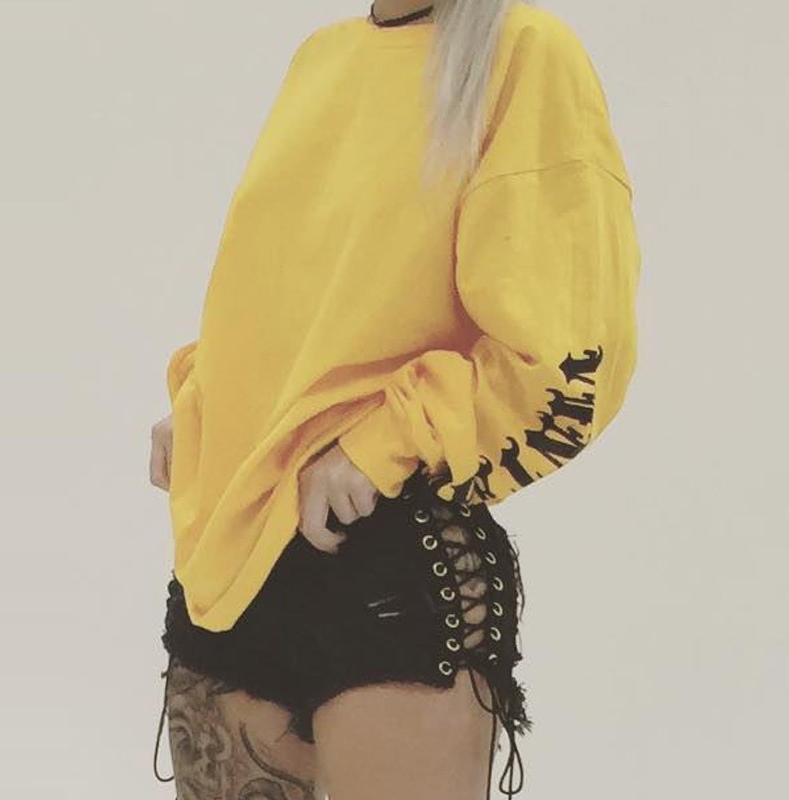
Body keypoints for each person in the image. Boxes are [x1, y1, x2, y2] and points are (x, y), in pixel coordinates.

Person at [148, 1, 641, 798]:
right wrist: (212, 402)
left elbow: (565, 345)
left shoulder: (523, 51)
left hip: (389, 556)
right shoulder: (321, 58)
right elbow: (296, 290)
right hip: (233, 550)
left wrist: (381, 446)